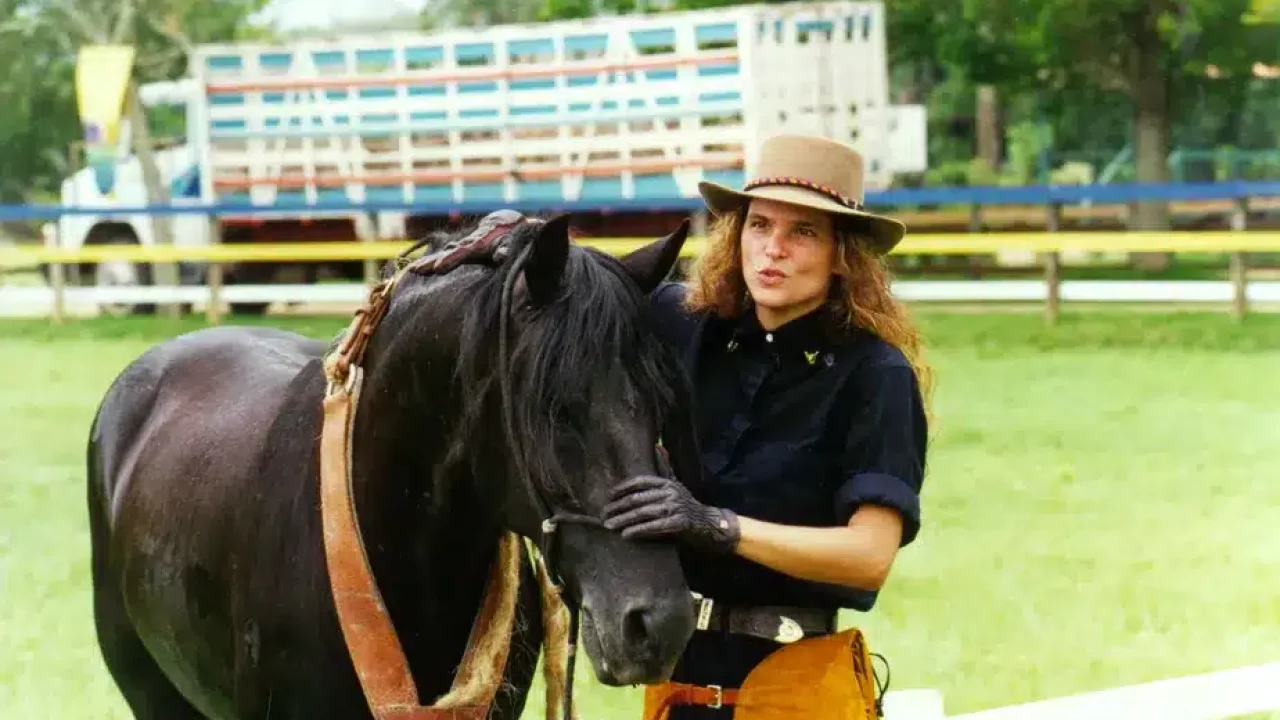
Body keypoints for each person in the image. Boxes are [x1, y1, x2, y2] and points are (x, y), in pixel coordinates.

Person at [601, 133, 932, 719]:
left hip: (797, 690)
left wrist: (718, 526)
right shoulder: (682, 327)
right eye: (759, 225)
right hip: (675, 687)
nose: (772, 249)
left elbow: (869, 556)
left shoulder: (875, 375)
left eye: (802, 231)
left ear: (841, 255)